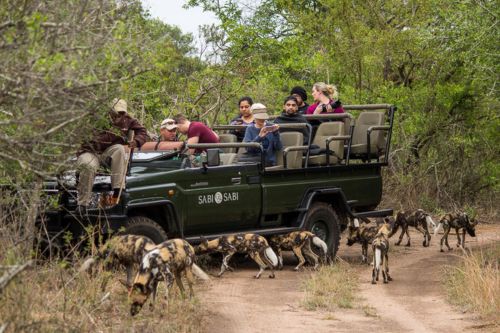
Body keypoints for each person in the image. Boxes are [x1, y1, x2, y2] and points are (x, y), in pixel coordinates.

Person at [76, 98, 149, 213]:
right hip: (90, 152)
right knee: (88, 165)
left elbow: (143, 132)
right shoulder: (95, 118)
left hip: (107, 153)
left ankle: (119, 190)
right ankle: (82, 204)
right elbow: (82, 136)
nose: (118, 115)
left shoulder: (128, 120)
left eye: (121, 113)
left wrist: (136, 141)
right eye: (116, 112)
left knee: (119, 149)